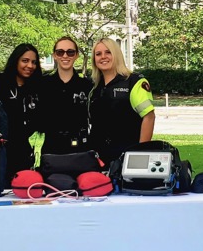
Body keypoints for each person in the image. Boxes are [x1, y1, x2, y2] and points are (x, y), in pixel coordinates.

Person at [0, 43, 42, 180]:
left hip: (26, 155)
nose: (30, 66)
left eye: (34, 62)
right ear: (15, 60)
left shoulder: (39, 86)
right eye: (25, 61)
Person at [88, 37, 155, 165]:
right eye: (98, 54)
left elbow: (149, 117)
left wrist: (139, 154)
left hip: (127, 156)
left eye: (108, 52)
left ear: (117, 54)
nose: (103, 57)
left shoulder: (134, 81)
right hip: (98, 158)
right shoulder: (93, 87)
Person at [38, 36, 95, 159]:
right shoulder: (43, 84)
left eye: (70, 52)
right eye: (60, 52)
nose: (65, 56)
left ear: (76, 55)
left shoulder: (87, 85)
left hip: (80, 149)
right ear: (54, 55)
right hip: (51, 151)